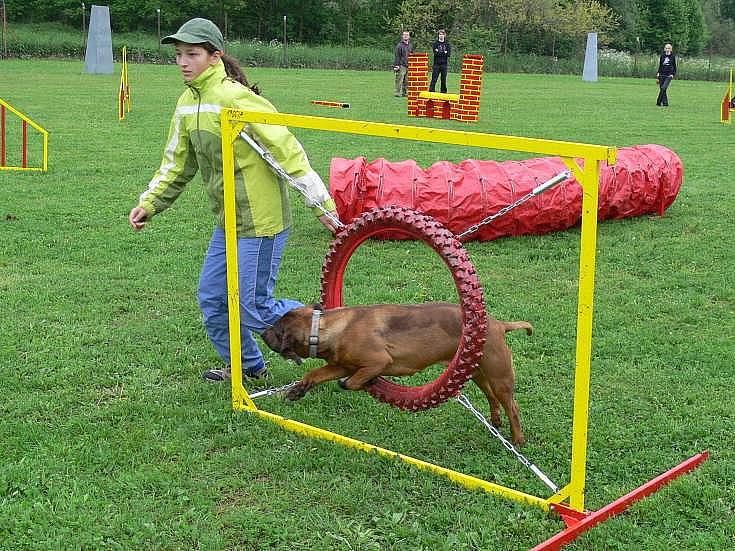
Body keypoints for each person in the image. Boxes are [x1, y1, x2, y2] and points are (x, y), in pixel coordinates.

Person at [128, 18, 338, 383]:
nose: (182, 62)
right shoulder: (186, 104)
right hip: (228, 222)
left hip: (261, 221)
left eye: (192, 54)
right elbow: (178, 162)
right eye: (178, 54)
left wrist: (321, 205)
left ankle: (340, 328)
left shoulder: (236, 98)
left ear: (215, 56)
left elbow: (286, 151)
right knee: (213, 300)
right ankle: (248, 366)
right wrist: (151, 202)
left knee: (254, 307)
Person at [429, 29, 451, 93]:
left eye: (442, 34)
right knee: (434, 79)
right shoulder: (435, 44)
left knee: (443, 79)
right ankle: (431, 91)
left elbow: (448, 54)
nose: (441, 36)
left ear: (444, 35)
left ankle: (443, 92)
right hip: (436, 64)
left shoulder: (447, 44)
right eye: (440, 34)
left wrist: (440, 52)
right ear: (438, 35)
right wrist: (444, 52)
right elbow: (436, 54)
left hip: (444, 64)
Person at [393, 30, 413, 97]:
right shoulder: (399, 45)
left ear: (409, 36)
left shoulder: (410, 45)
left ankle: (405, 93)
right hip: (401, 65)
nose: (406, 36)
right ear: (402, 36)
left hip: (408, 65)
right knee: (399, 80)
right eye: (404, 35)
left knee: (407, 80)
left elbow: (412, 55)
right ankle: (397, 93)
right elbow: (397, 56)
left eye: (407, 35)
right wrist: (396, 66)